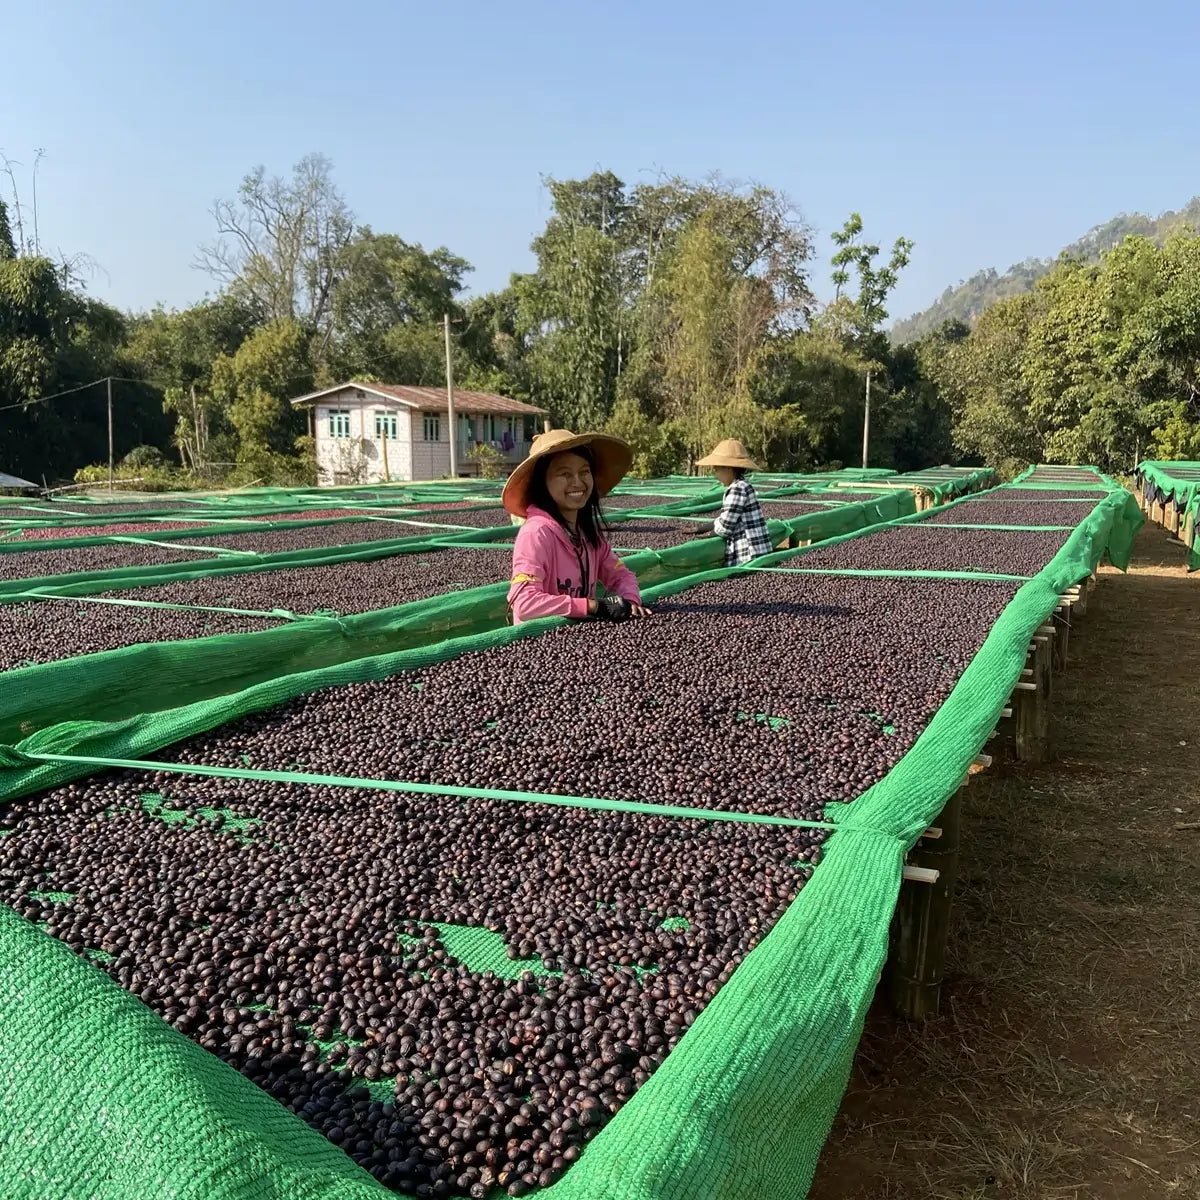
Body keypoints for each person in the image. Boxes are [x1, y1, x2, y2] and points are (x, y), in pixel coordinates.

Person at [502, 429, 651, 625]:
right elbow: (525, 603)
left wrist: (630, 599)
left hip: (579, 640)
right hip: (538, 640)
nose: (577, 482)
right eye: (565, 474)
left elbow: (620, 574)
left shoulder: (588, 534)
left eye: (584, 472)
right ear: (542, 482)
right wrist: (593, 606)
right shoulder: (536, 534)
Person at [697, 438, 774, 567]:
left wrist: (709, 536)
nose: (716, 475)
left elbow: (725, 527)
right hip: (758, 551)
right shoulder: (743, 485)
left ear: (728, 468)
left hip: (748, 554)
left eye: (716, 469)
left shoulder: (737, 489)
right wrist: (701, 528)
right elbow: (728, 517)